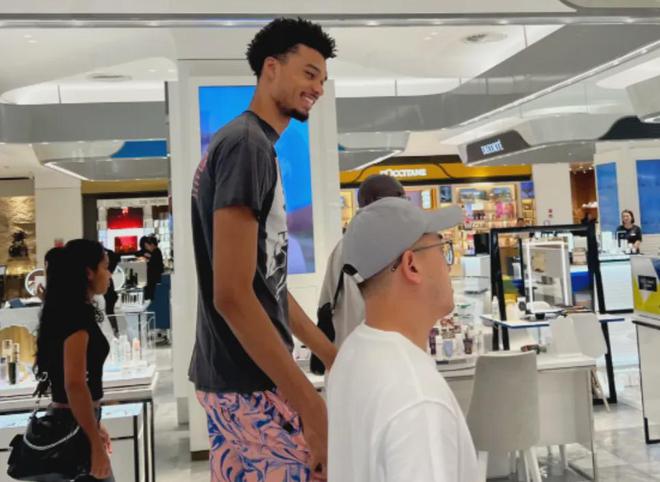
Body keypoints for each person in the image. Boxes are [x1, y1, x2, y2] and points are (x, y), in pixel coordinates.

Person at [188, 18, 337, 482]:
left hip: (233, 379)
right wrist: (310, 404)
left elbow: (264, 284)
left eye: (323, 79)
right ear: (271, 67)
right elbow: (231, 296)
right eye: (309, 73)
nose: (318, 88)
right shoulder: (246, 145)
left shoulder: (246, 143)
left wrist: (329, 352)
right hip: (250, 383)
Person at [327, 197, 479, 482]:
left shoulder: (352, 353)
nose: (448, 265)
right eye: (442, 249)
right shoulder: (418, 399)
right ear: (412, 265)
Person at [34, 239, 113, 481]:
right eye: (105, 267)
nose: (109, 274)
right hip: (74, 430)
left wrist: (94, 426)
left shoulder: (67, 312)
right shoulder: (77, 319)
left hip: (74, 423)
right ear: (89, 273)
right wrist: (94, 442)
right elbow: (75, 385)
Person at [317, 174, 405, 350]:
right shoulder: (387, 243)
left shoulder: (343, 246)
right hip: (379, 352)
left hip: (348, 349)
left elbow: (325, 302)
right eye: (399, 200)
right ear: (376, 202)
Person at [103, 249, 121, 336]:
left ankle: (114, 333)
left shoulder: (106, 273)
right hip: (110, 296)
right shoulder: (108, 272)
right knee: (110, 313)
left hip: (109, 296)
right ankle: (115, 333)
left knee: (109, 313)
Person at [143, 236, 164, 301]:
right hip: (152, 279)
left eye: (147, 246)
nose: (146, 248)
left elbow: (154, 264)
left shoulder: (156, 252)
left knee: (150, 296)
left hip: (153, 279)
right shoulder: (156, 252)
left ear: (152, 245)